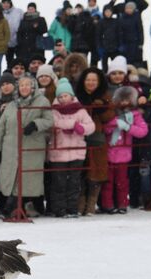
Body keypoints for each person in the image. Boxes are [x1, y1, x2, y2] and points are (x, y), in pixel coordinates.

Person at [0, 75, 53, 218]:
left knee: (28, 178)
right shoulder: (12, 105)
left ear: (33, 87)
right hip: (10, 148)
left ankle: (17, 206)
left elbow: (50, 120)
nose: (24, 88)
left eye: (27, 85)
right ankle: (14, 206)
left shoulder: (42, 101)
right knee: (11, 178)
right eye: (21, 85)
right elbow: (1, 127)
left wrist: (36, 124)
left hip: (31, 147)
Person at [47, 78, 96, 217]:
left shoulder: (80, 110)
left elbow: (91, 126)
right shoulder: (54, 110)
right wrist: (73, 124)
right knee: (59, 182)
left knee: (74, 182)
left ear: (71, 95)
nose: (63, 99)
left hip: (76, 150)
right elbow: (53, 122)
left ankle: (72, 208)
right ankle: (59, 209)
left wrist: (81, 128)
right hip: (58, 152)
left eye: (65, 96)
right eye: (60, 96)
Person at [101, 86, 148, 213]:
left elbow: (142, 131)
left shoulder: (135, 115)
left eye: (127, 100)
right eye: (121, 100)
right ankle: (108, 204)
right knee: (108, 182)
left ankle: (122, 204)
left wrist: (128, 127)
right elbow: (104, 129)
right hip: (109, 153)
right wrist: (113, 125)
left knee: (122, 182)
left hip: (124, 154)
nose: (124, 103)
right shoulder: (111, 113)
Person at [75, 67, 114, 215]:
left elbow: (109, 116)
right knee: (80, 171)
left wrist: (100, 108)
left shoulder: (105, 96)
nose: (91, 83)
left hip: (97, 138)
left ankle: (91, 204)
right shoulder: (77, 96)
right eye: (88, 80)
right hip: (79, 138)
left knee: (96, 171)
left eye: (94, 80)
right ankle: (81, 203)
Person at [118, 2, 144, 66]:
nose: (128, 10)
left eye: (130, 8)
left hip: (135, 42)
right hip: (125, 43)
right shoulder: (122, 18)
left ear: (134, 9)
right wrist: (121, 43)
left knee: (135, 60)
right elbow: (120, 32)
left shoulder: (137, 17)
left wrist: (141, 43)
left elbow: (140, 30)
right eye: (127, 8)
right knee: (126, 60)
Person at [97, 4, 121, 71]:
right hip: (104, 48)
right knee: (104, 67)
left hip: (115, 48)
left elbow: (119, 34)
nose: (108, 13)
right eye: (106, 11)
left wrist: (119, 45)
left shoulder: (115, 21)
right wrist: (99, 47)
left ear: (112, 12)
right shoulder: (101, 22)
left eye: (109, 11)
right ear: (104, 12)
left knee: (116, 66)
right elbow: (98, 35)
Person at [1, 0, 23, 65]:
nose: (6, 4)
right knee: (9, 61)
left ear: (10, 3)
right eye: (4, 3)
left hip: (18, 41)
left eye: (7, 3)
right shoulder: (1, 13)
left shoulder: (18, 11)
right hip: (7, 42)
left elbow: (25, 22)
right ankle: (9, 73)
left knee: (20, 60)